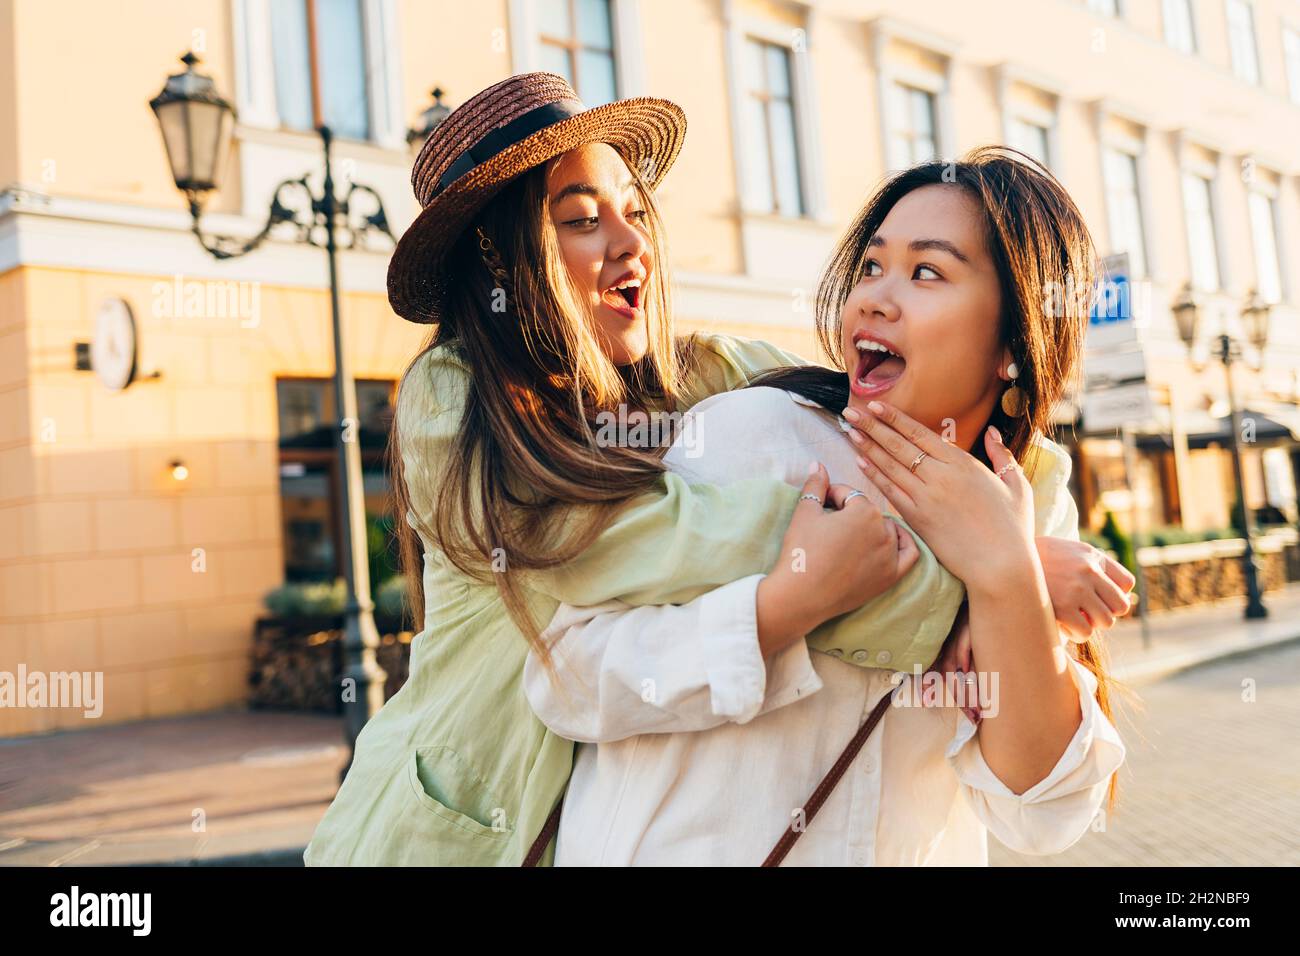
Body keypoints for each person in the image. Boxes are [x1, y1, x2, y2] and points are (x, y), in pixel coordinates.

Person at [305, 73, 971, 867]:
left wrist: (1016, 542)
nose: (630, 243)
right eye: (582, 219)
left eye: (634, 208)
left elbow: (896, 400)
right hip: (436, 844)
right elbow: (608, 537)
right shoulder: (452, 395)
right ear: (498, 257)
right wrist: (948, 598)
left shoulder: (698, 372)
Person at [524, 148, 1134, 866]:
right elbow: (567, 677)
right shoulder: (756, 434)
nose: (873, 298)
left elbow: (1046, 811)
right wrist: (780, 610)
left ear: (1013, 342)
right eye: (871, 267)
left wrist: (1004, 574)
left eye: (927, 272)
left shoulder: (1022, 508)